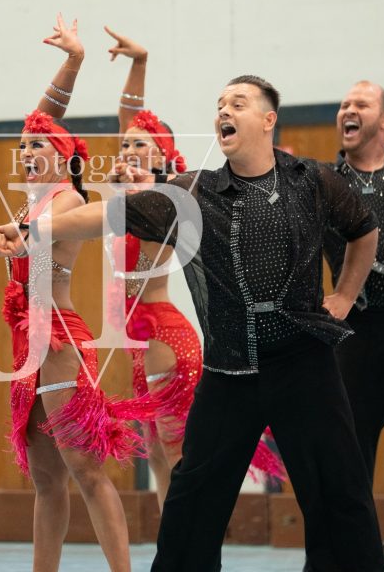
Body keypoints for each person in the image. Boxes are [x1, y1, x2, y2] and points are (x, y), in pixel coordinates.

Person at [0, 75, 384, 572]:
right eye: (220, 104)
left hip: (304, 364)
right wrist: (26, 229)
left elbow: (364, 231)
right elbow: (103, 216)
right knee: (193, 492)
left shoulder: (313, 180)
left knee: (337, 489)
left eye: (238, 103)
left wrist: (345, 295)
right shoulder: (192, 191)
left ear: (267, 119)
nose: (225, 110)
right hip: (230, 370)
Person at [0, 15, 148, 572]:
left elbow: (36, 236)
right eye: (22, 148)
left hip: (59, 345)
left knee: (87, 473)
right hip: (28, 345)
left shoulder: (69, 202)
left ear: (66, 158)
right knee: (46, 480)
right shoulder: (30, 203)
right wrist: (72, 61)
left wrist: (9, 237)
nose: (27, 152)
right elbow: (41, 119)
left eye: (38, 147)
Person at [104, 28, 283, 508]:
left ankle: (196, 537)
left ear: (162, 156)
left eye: (139, 146)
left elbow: (146, 244)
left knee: (178, 454)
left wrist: (135, 190)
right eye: (124, 147)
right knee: (157, 457)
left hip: (164, 335)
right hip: (140, 342)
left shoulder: (165, 198)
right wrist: (139, 63)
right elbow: (130, 120)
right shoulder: (131, 194)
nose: (128, 152)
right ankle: (173, 545)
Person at [274, 80, 384, 572]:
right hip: (360, 330)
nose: (348, 109)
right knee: (343, 462)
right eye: (344, 104)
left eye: (360, 104)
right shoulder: (320, 181)